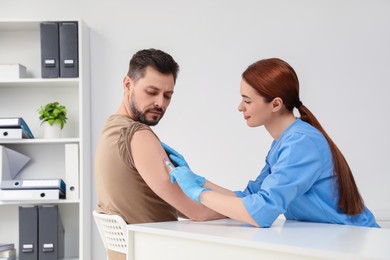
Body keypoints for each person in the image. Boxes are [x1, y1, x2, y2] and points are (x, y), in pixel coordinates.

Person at [163, 57, 380, 228]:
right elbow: (251, 197)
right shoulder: (285, 142)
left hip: (357, 243)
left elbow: (260, 213)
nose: (240, 107)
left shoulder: (301, 143)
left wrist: (198, 193)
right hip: (333, 240)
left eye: (247, 100)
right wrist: (198, 179)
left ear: (276, 104)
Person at [95, 48, 224, 259]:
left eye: (168, 95)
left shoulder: (111, 128)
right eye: (152, 92)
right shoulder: (138, 135)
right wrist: (247, 207)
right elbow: (196, 211)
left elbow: (177, 202)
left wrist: (240, 198)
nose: (160, 103)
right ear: (128, 84)